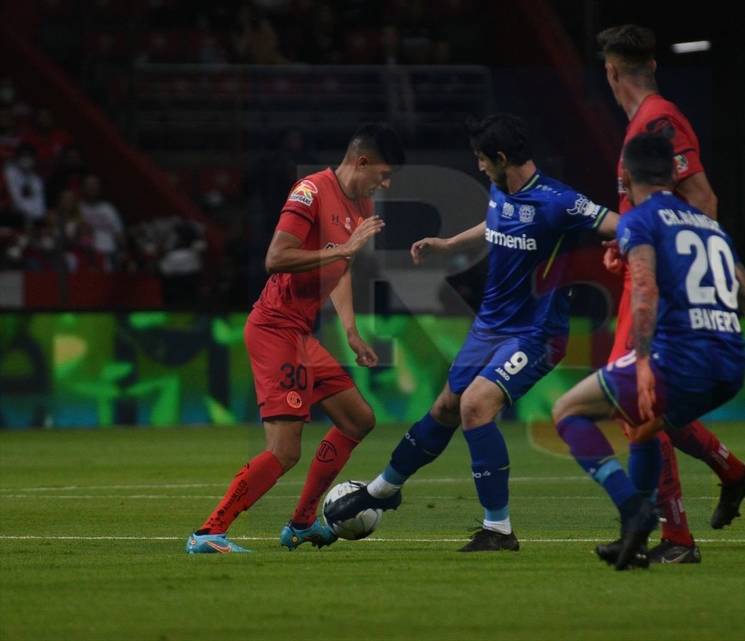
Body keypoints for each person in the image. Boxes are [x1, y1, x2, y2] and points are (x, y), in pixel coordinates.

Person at [324, 113, 619, 552]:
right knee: (446, 406)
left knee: (477, 407)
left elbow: (622, 226)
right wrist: (448, 244)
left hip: (536, 333)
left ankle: (498, 529)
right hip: (490, 326)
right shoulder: (502, 190)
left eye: (482, 160)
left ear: (501, 158)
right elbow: (496, 224)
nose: (479, 168)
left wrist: (645, 245)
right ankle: (384, 491)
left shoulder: (561, 202)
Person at [552, 132, 745, 570]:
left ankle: (634, 510)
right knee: (645, 429)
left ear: (625, 176)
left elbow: (644, 290)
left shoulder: (638, 219)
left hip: (679, 357)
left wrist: (643, 362)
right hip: (729, 367)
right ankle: (640, 537)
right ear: (674, 174)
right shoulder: (710, 225)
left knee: (567, 412)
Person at [186, 123, 406, 554]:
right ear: (361, 162)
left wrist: (350, 331)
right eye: (382, 174)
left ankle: (302, 524)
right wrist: (341, 250)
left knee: (359, 419)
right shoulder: (309, 191)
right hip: (273, 329)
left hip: (301, 335)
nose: (386, 184)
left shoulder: (359, 204)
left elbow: (336, 273)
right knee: (285, 451)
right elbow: (276, 257)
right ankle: (209, 532)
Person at [597, 24, 745, 564]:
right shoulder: (644, 124)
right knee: (642, 403)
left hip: (660, 287)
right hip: (641, 275)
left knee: (637, 404)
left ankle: (675, 537)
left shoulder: (659, 121)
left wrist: (675, 271)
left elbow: (703, 200)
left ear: (612, 71)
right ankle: (730, 473)